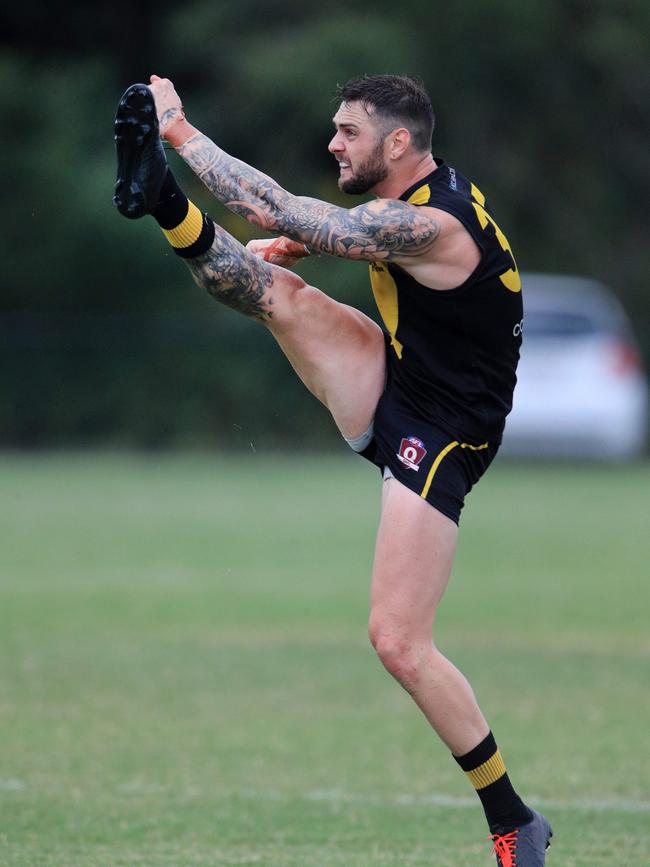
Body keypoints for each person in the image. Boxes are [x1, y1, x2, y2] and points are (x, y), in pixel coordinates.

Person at [113, 73, 552, 866]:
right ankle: (162, 201)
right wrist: (299, 238)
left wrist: (181, 129)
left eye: (347, 132)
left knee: (398, 641)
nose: (333, 143)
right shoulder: (421, 199)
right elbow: (338, 232)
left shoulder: (434, 222)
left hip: (447, 432)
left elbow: (287, 209)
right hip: (403, 378)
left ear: (395, 144)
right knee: (271, 292)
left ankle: (513, 817)